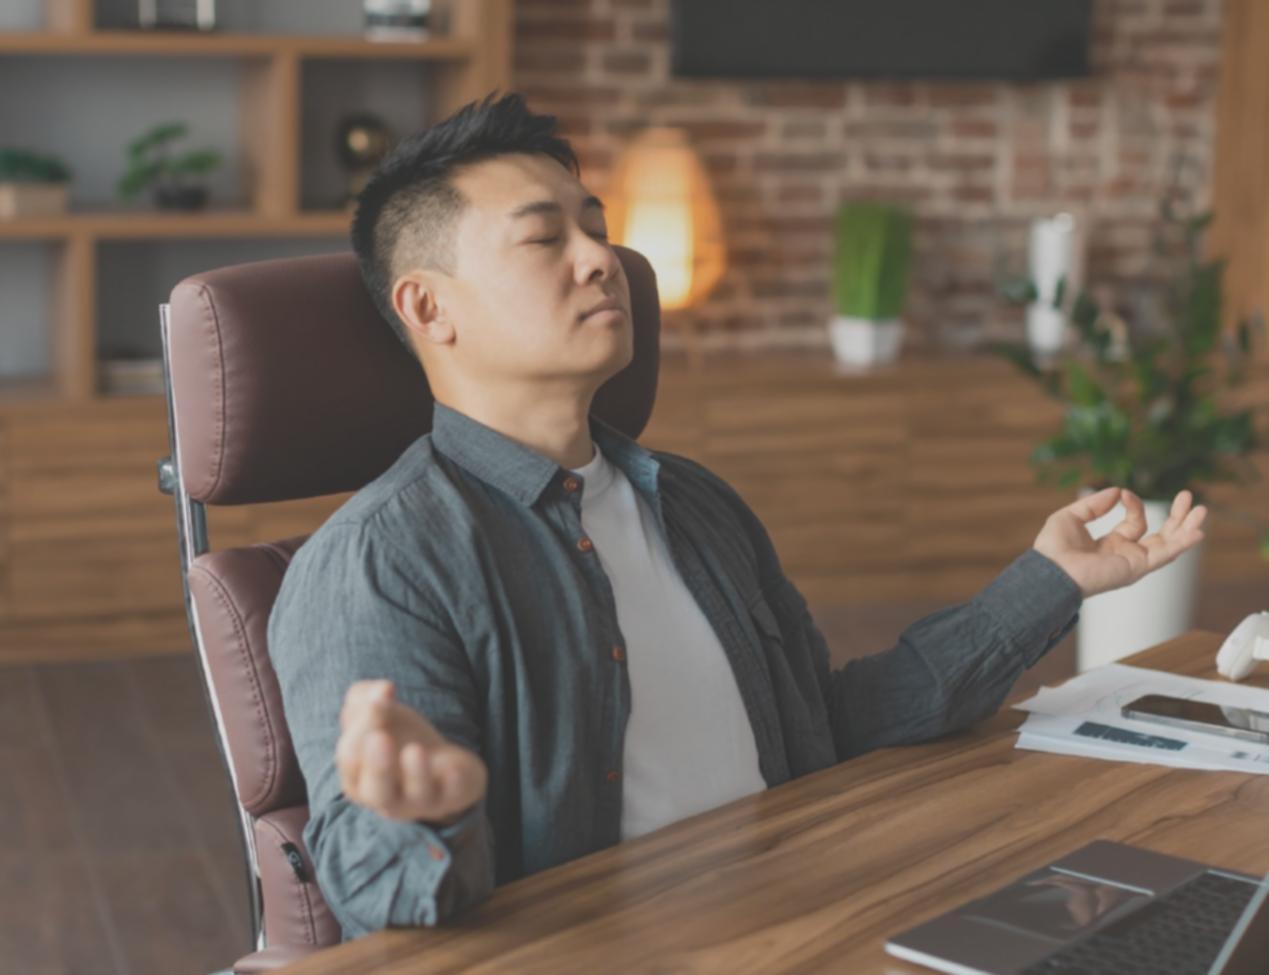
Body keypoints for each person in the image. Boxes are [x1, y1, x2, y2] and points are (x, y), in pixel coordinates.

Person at [268, 91, 1207, 939]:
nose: (602, 260)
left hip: (810, 910)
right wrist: (427, 816)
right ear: (428, 306)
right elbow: (380, 904)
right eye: (544, 238)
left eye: (595, 227)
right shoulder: (379, 562)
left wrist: (1048, 581)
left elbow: (823, 726)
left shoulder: (690, 499)